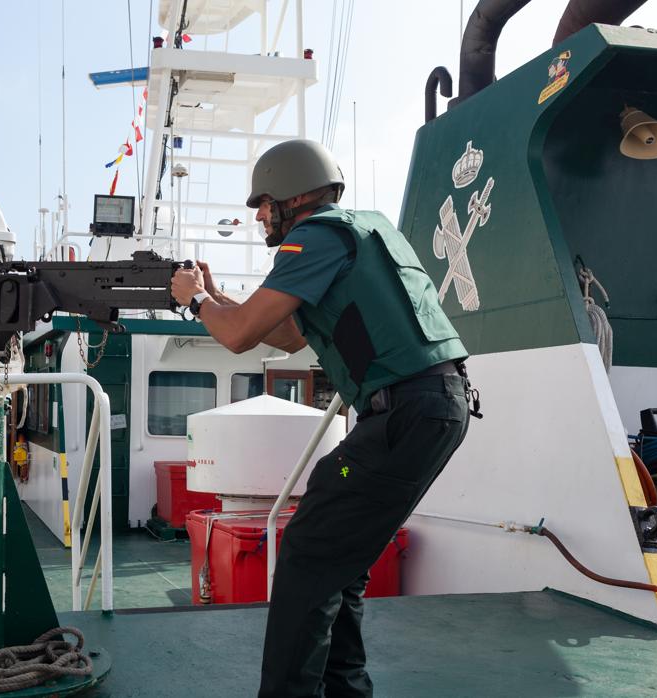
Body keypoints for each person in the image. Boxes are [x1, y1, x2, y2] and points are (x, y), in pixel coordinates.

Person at [170, 138, 476, 697]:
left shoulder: (314, 236)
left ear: (292, 195)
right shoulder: (356, 230)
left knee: (309, 553)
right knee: (339, 557)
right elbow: (284, 333)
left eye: (263, 203)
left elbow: (237, 337)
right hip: (431, 409)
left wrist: (193, 300)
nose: (260, 216)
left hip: (404, 414)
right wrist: (215, 292)